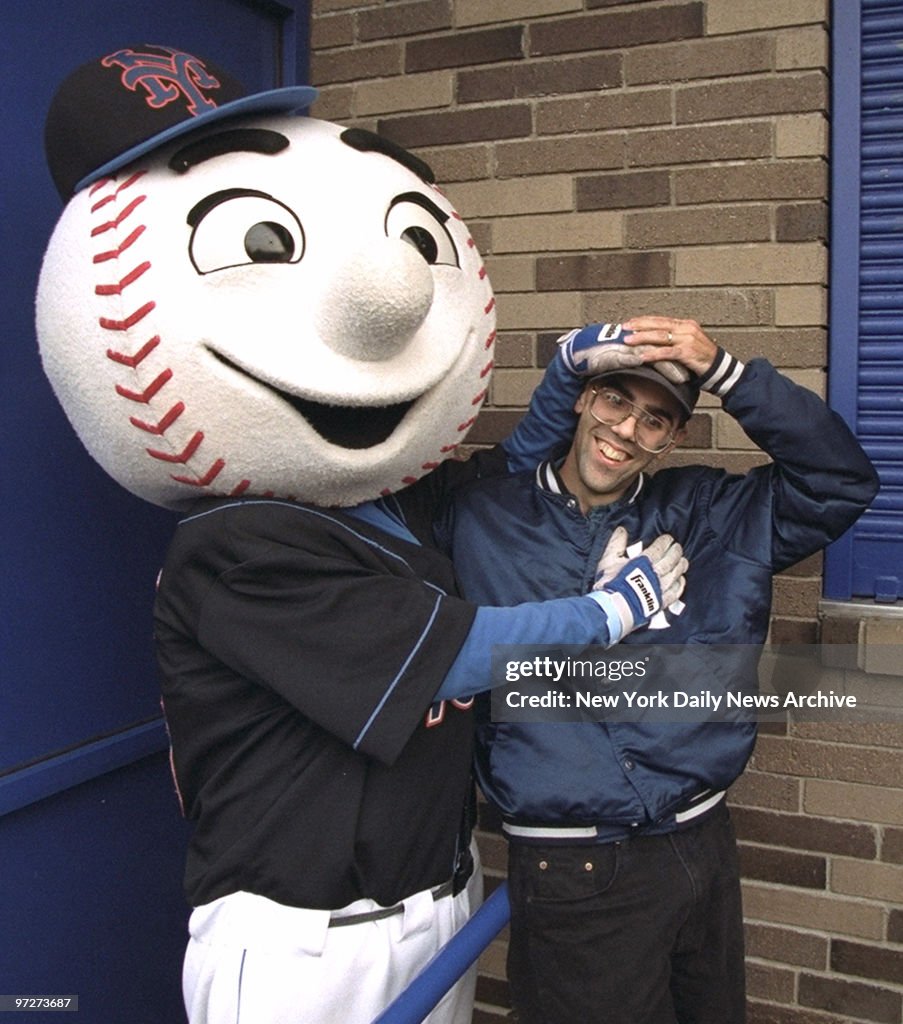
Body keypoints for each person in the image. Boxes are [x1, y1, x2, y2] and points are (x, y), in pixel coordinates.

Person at [439, 316, 879, 1024]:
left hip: (700, 842)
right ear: (581, 400)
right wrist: (599, 616)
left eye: (655, 420)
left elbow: (841, 481)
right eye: (615, 401)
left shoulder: (709, 511)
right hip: (573, 863)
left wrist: (727, 372)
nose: (627, 430)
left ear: (671, 439)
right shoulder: (483, 515)